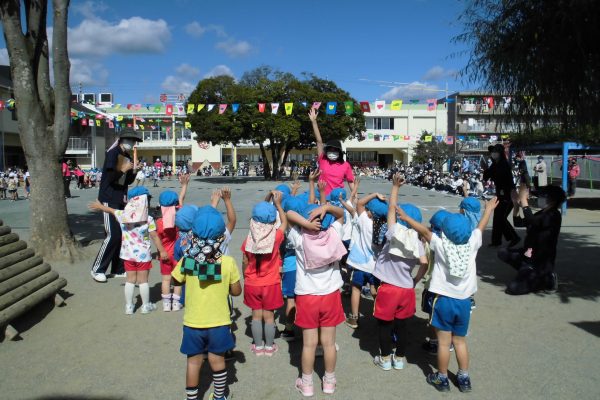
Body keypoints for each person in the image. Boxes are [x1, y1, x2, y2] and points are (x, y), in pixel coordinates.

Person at [398, 196, 498, 393]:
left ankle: (441, 378)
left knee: (444, 343)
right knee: (459, 341)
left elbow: (425, 231)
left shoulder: (441, 245)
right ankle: (464, 377)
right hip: (464, 303)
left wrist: (406, 217)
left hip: (443, 300)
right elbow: (481, 226)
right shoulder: (473, 244)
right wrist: (488, 210)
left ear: (444, 231)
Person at [172, 206, 242, 400]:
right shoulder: (227, 262)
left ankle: (192, 398)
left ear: (193, 234)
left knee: (193, 362)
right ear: (221, 236)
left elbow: (175, 280)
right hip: (219, 322)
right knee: (217, 360)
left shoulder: (188, 260)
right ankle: (219, 396)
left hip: (193, 322)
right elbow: (236, 291)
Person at [286, 201, 346, 397]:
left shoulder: (299, 236)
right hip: (330, 295)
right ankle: (329, 382)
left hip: (307, 296)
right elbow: (341, 214)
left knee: (309, 344)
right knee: (329, 343)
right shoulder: (334, 233)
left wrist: (306, 223)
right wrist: (326, 208)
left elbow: (289, 213)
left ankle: (307, 384)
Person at [372, 174, 428, 371]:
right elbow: (424, 263)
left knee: (384, 326)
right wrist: (416, 280)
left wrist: (395, 187)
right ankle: (400, 358)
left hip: (388, 288)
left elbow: (390, 210)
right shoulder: (418, 243)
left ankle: (385, 358)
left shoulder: (393, 232)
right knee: (402, 326)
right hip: (406, 289)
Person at [88, 187, 168, 314]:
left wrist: (99, 206)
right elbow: (154, 236)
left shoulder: (123, 215)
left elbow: (110, 210)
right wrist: (162, 251)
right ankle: (146, 306)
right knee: (143, 281)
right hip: (143, 256)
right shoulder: (148, 219)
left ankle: (129, 306)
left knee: (130, 280)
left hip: (127, 255)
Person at [91, 129, 141, 283]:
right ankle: (97, 269)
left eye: (133, 141)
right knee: (112, 234)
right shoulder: (112, 153)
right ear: (121, 140)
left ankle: (117, 269)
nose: (131, 143)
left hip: (121, 199)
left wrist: (133, 171)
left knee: (121, 236)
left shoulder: (126, 155)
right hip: (108, 197)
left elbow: (127, 181)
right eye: (129, 140)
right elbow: (110, 176)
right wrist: (123, 170)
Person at [242, 194, 287, 356]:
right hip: (271, 283)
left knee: (255, 316)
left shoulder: (248, 239)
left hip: (252, 283)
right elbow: (284, 222)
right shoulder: (276, 236)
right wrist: (279, 205)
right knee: (269, 316)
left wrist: (245, 276)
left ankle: (258, 346)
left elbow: (245, 261)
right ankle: (269, 346)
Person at [499, 184, 565, 295]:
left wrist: (524, 202)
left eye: (544, 196)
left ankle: (547, 279)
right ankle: (526, 271)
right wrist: (516, 205)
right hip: (528, 255)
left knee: (513, 288)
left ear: (552, 200)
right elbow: (518, 222)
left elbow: (532, 221)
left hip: (540, 262)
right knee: (502, 252)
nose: (540, 198)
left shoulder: (554, 215)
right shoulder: (542, 213)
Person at [344, 192, 387, 329]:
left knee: (356, 289)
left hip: (359, 263)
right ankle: (382, 315)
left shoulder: (365, 221)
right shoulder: (384, 228)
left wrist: (374, 194)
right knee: (375, 291)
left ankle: (354, 318)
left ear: (370, 213)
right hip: (375, 267)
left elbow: (360, 203)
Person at [157, 174, 189, 312]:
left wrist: (160, 251)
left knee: (165, 280)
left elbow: (156, 238)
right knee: (177, 280)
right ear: (176, 205)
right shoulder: (179, 217)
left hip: (164, 254)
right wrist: (184, 185)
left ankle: (166, 304)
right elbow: (181, 199)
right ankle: (176, 304)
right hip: (178, 254)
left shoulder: (158, 222)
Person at [308, 108, 355, 195]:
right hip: (321, 196)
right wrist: (314, 122)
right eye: (330, 150)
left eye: (335, 150)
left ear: (339, 152)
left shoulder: (345, 165)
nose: (332, 152)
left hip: (338, 199)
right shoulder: (323, 159)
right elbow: (319, 141)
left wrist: (355, 196)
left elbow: (351, 182)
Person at [483, 144, 519, 247]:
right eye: (492, 151)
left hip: (508, 195)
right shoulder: (494, 164)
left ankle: (514, 237)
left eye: (495, 151)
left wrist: (489, 171)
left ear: (500, 153)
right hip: (500, 194)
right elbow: (486, 176)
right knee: (497, 218)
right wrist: (486, 168)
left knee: (501, 218)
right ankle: (496, 241)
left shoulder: (504, 164)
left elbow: (499, 177)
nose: (493, 153)